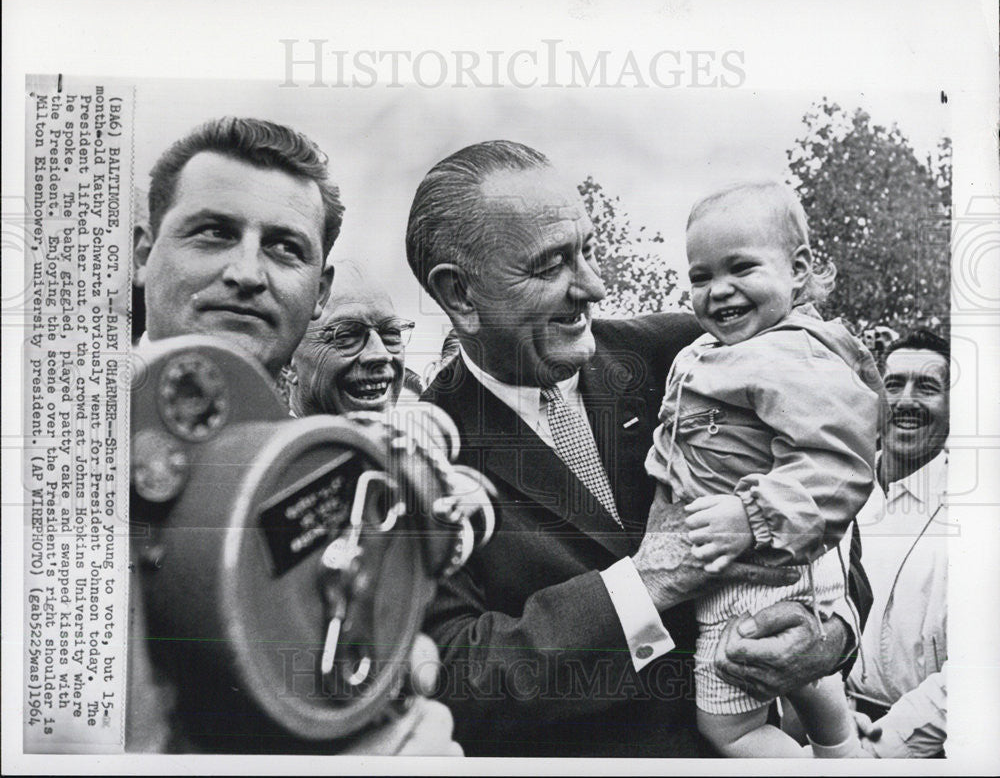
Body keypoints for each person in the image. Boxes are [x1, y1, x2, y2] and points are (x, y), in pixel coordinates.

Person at [407, 141, 869, 757]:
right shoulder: (416, 462)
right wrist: (647, 585)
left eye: (588, 250)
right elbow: (455, 679)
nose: (595, 287)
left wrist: (831, 632)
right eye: (551, 266)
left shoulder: (694, 355)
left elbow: (833, 493)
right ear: (460, 295)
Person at [129, 116, 460, 755]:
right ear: (144, 254)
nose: (248, 273)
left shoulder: (332, 468)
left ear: (319, 291)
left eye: (285, 247)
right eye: (213, 233)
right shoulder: (48, 448)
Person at [644, 181, 881, 757]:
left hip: (755, 564)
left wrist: (752, 516)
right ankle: (842, 753)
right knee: (800, 676)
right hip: (770, 556)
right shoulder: (717, 349)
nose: (718, 291)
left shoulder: (794, 353)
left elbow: (840, 463)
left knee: (730, 727)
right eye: (701, 277)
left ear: (798, 270)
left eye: (741, 268)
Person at [847, 329, 949, 757]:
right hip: (829, 726)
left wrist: (875, 750)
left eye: (927, 387)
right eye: (893, 384)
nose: (905, 401)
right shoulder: (836, 486)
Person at [287, 259, 414, 416]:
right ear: (287, 362)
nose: (381, 354)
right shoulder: (265, 440)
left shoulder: (417, 438)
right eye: (346, 336)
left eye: (391, 334)